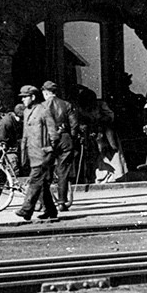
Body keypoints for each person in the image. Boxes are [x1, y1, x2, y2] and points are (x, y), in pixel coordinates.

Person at [13, 84, 59, 223]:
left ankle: (26, 209)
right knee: (43, 184)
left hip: (43, 153)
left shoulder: (44, 110)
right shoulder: (27, 112)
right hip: (31, 153)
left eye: (25, 97)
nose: (23, 100)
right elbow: (25, 134)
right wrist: (23, 153)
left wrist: (50, 151)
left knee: (35, 180)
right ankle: (51, 210)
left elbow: (53, 134)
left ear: (33, 97)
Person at [40, 81, 82, 210]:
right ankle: (62, 202)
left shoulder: (41, 106)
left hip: (48, 140)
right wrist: (72, 138)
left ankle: (45, 202)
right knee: (63, 171)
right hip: (65, 138)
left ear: (45, 92)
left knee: (45, 171)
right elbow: (74, 125)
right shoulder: (66, 105)